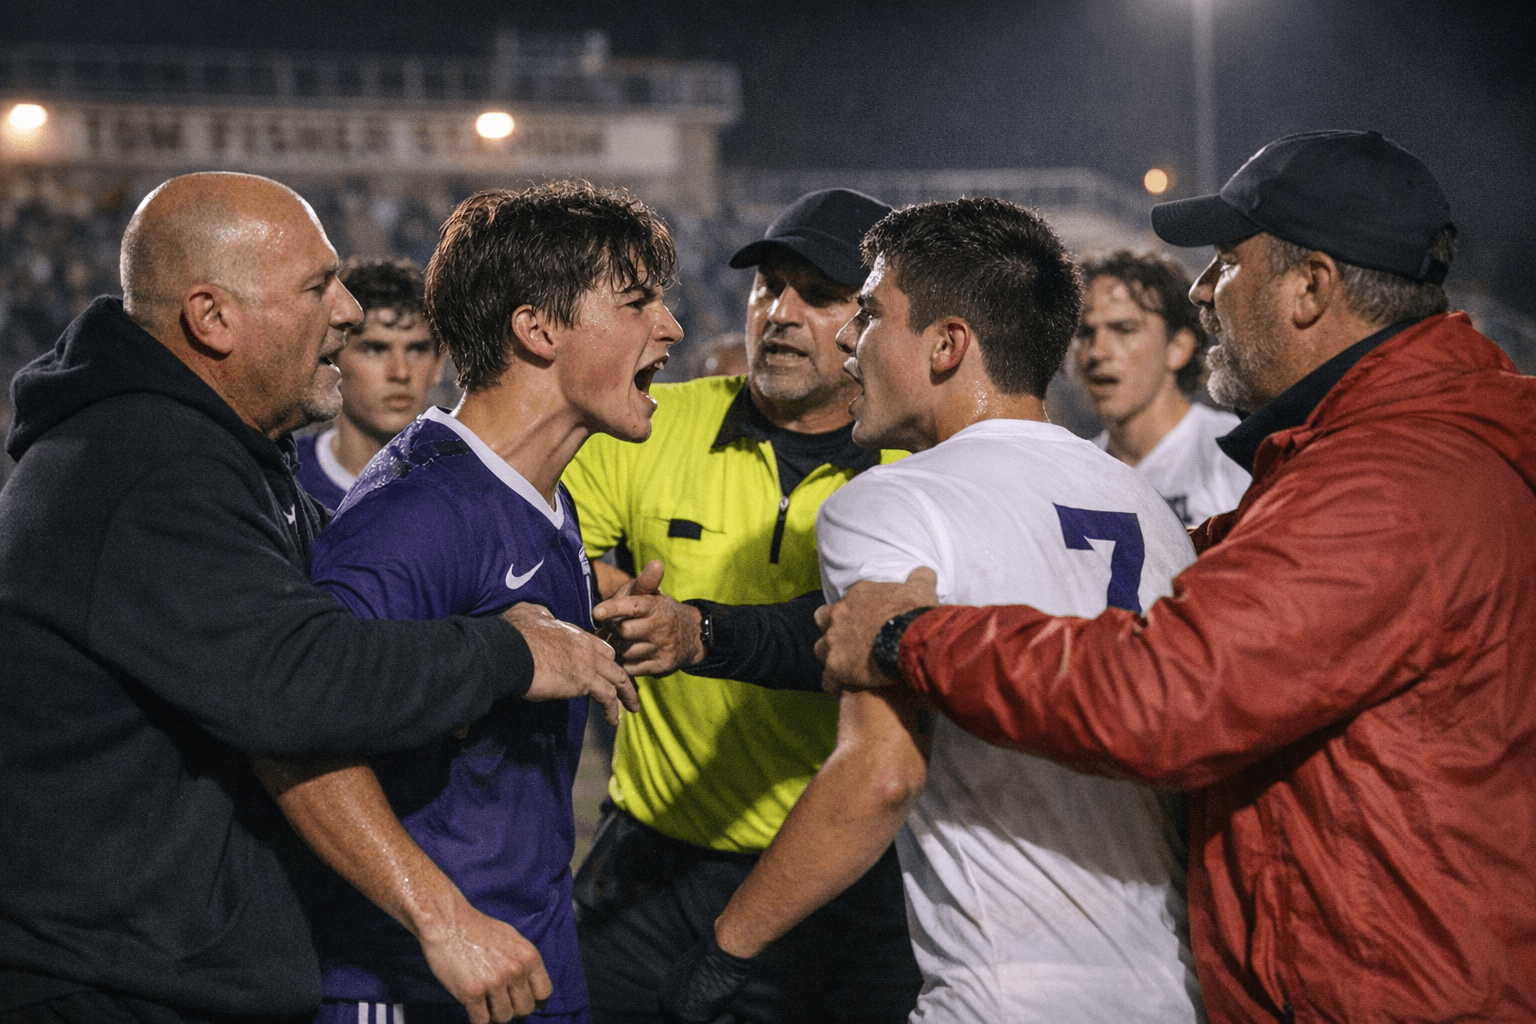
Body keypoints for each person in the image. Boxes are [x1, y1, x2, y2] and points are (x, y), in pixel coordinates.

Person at [817, 131, 1536, 1021]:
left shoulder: (1390, 480)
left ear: (1311, 287)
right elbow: (1217, 576)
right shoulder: (1386, 454)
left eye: (1228, 264)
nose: (1202, 291)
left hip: (1392, 990)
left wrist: (908, 636)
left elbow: (1168, 695)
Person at [0, 172, 633, 1024]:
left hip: (160, 967)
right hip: (112, 986)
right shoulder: (144, 469)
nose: (347, 311)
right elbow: (295, 686)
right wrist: (512, 651)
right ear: (212, 318)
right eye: (316, 287)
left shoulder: (210, 455)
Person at [661, 197, 1203, 1023]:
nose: (851, 338)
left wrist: (726, 946)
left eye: (872, 314)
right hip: (1171, 983)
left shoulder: (890, 503)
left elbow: (880, 774)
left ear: (948, 345)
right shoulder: (1147, 506)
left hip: (1006, 992)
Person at [268, 181, 682, 1024]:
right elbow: (295, 744)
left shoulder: (540, 493)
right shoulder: (417, 516)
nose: (669, 328)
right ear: (536, 329)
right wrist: (444, 921)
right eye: (637, 303)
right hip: (415, 980)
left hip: (529, 953)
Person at [561, 188, 922, 1023]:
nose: (781, 313)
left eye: (821, 295)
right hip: (651, 863)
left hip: (842, 880)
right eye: (769, 288)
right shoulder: (655, 422)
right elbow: (538, 545)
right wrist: (601, 592)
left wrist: (693, 631)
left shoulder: (915, 471)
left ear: (870, 321)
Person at [1073, 250, 1249, 525]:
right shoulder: (1072, 472)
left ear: (1177, 348)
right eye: (1085, 332)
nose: (1097, 351)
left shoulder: (1235, 455)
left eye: (1124, 329)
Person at [295, 257, 446, 510]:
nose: (400, 372)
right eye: (375, 349)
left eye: (417, 349)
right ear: (331, 357)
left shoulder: (465, 488)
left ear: (438, 365)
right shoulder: (287, 481)